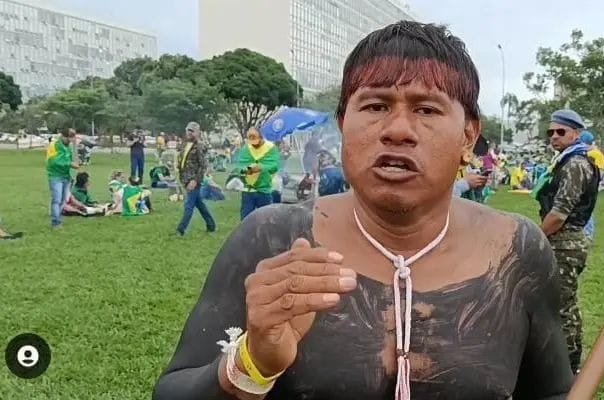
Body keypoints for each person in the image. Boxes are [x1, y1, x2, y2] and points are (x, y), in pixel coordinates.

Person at [154, 21, 572, 400]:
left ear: (468, 135)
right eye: (375, 106)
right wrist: (251, 363)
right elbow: (173, 392)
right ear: (342, 124)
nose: (398, 130)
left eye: (427, 109)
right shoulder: (272, 239)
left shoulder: (516, 252)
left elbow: (553, 392)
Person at [533, 109, 600, 374]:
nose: (554, 136)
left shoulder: (575, 165)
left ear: (576, 134)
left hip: (566, 243)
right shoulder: (566, 161)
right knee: (557, 302)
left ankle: (570, 367)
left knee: (563, 306)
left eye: (560, 131)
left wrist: (536, 235)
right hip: (562, 241)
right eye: (550, 132)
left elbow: (559, 214)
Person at [176, 122, 216, 236]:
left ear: (198, 133)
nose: (189, 133)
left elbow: (203, 166)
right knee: (199, 204)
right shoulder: (185, 144)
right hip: (185, 179)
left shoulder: (200, 146)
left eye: (192, 131)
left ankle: (181, 229)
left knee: (188, 205)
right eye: (188, 130)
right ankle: (211, 225)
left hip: (193, 180)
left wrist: (195, 180)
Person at [238, 128, 280, 219]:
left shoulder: (271, 148)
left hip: (264, 190)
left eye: (256, 142)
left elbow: (274, 166)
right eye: (252, 142)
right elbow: (241, 166)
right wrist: (249, 169)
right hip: (248, 190)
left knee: (266, 219)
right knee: (245, 219)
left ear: (261, 138)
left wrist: (261, 167)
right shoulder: (246, 149)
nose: (254, 145)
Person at [46, 129, 79, 228]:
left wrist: (74, 147)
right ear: (63, 136)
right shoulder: (54, 145)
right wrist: (70, 164)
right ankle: (56, 222)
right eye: (69, 138)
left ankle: (58, 218)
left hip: (65, 176)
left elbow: (73, 160)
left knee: (63, 200)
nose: (70, 140)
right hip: (55, 176)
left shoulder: (68, 147)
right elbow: (54, 161)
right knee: (56, 199)